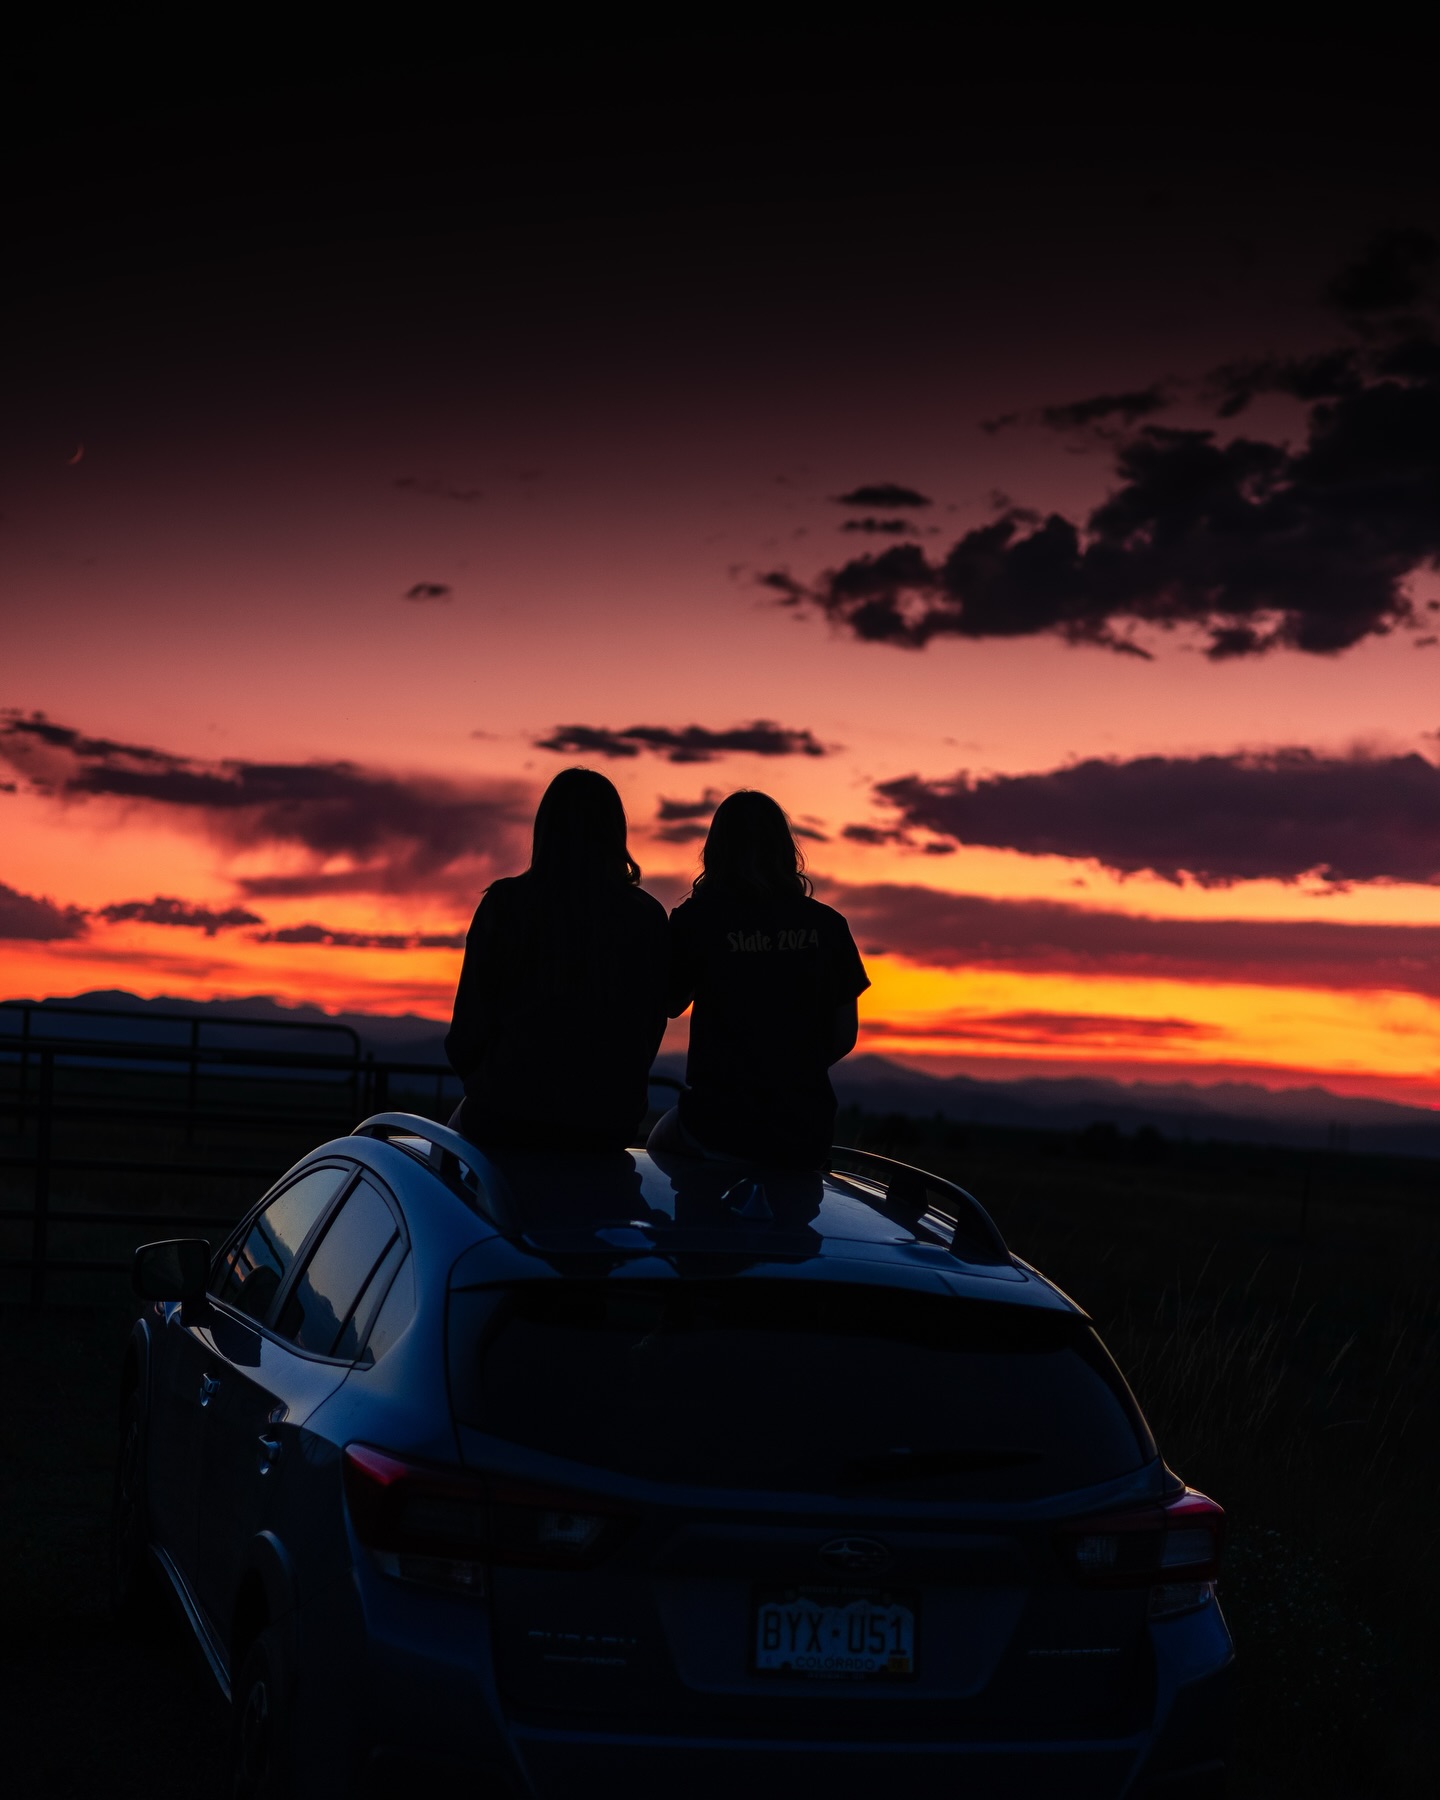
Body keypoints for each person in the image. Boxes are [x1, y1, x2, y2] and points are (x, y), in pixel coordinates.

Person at [445, 768, 668, 1152]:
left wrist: (498, 1080)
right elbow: (651, 1024)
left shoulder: (505, 904)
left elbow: (467, 1030)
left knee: (448, 1167)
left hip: (507, 1113)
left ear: (544, 829)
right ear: (616, 833)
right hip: (608, 1120)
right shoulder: (646, 916)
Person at [648, 789, 869, 1168]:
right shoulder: (828, 925)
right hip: (804, 1127)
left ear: (716, 850)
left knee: (657, 1148)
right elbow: (844, 1035)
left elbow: (669, 1004)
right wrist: (788, 1073)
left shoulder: (696, 920)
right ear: (784, 849)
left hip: (717, 1123)